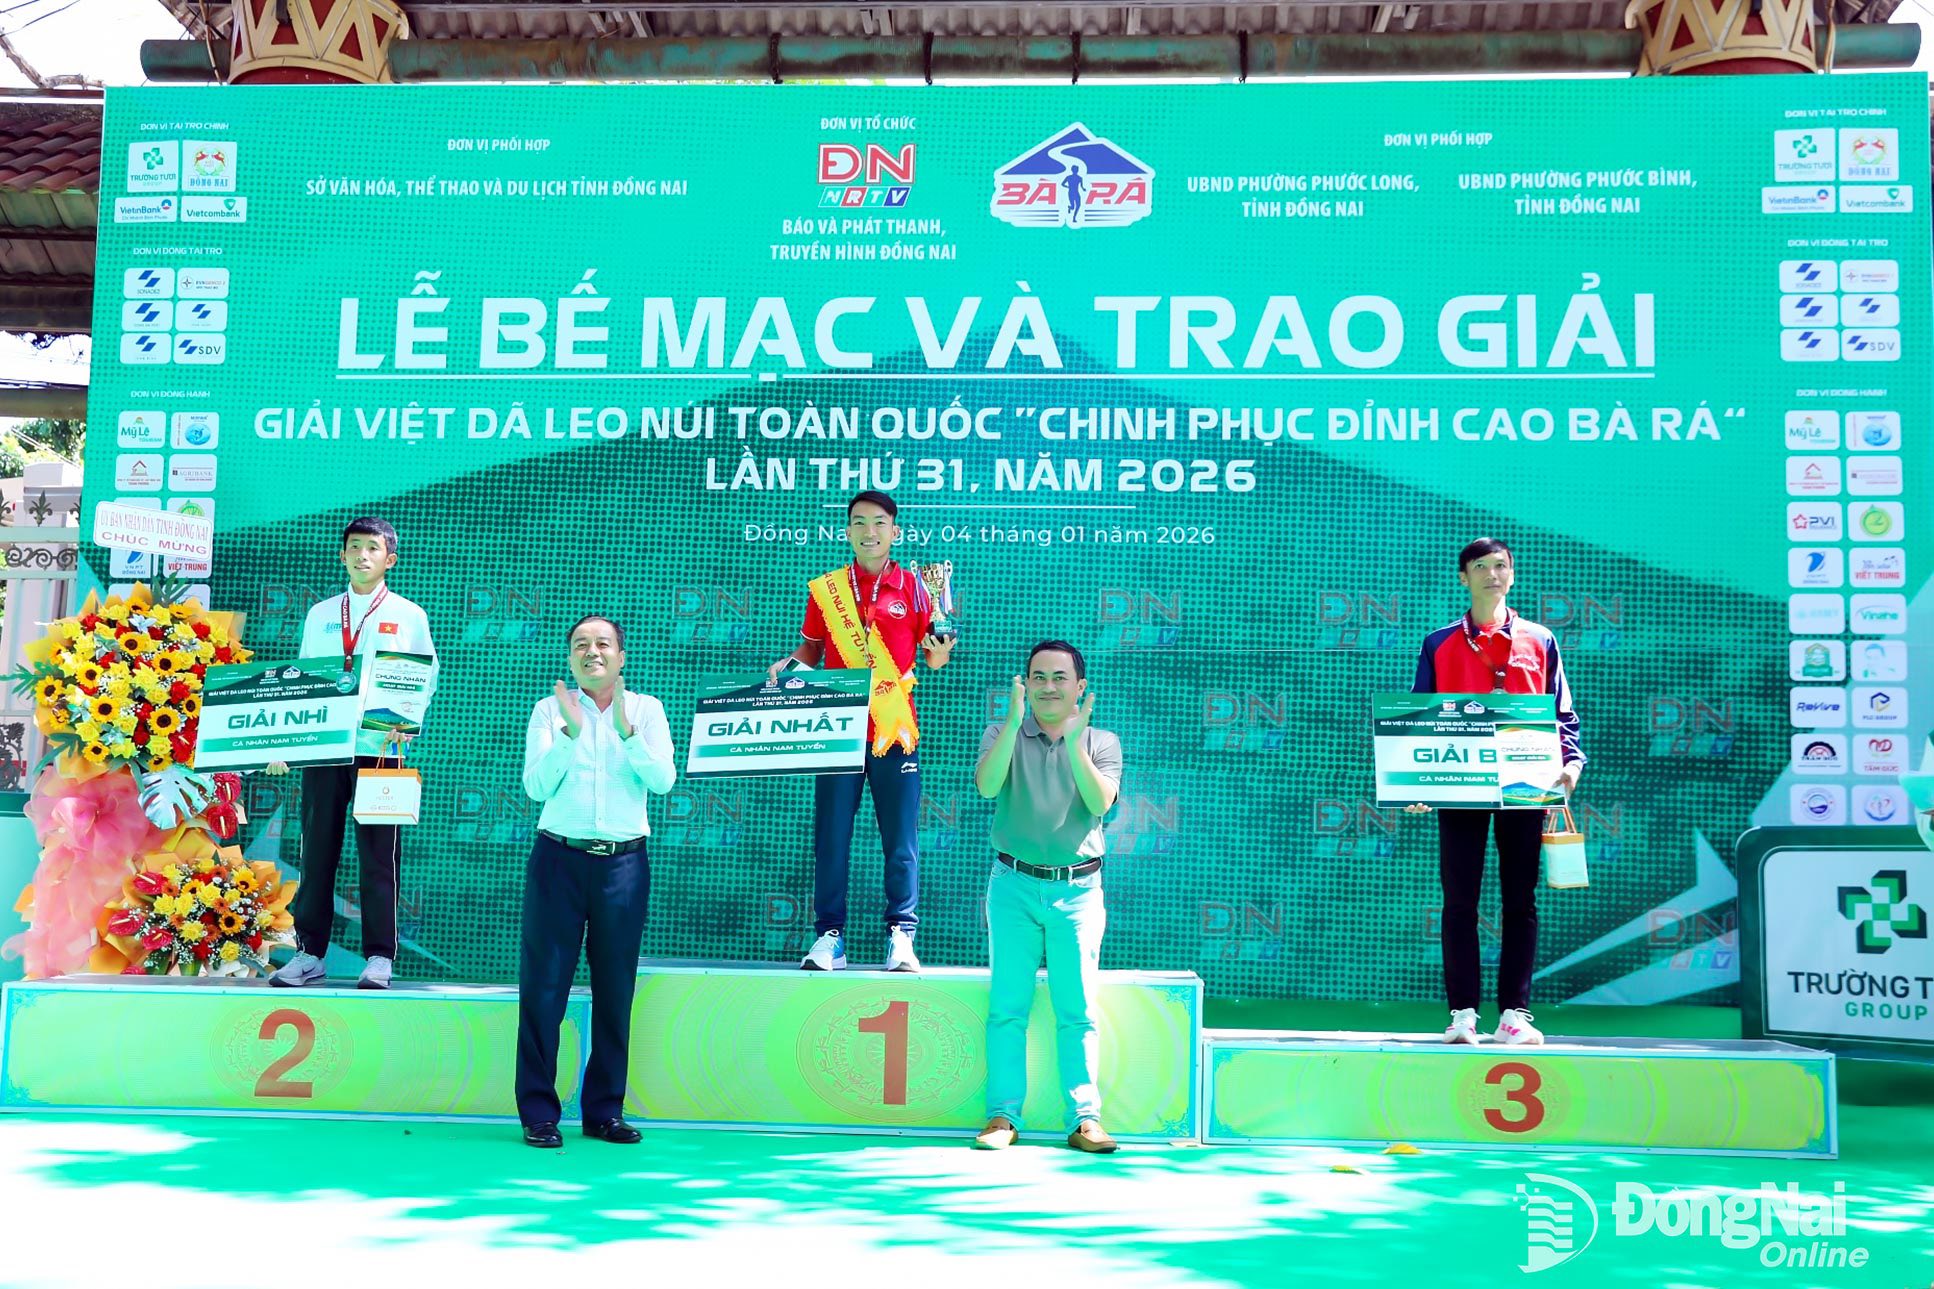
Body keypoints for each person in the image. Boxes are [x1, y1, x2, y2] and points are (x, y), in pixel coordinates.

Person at [766, 490, 954, 973]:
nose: (869, 531)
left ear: (895, 531)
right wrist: (788, 667)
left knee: (901, 839)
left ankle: (902, 934)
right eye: (859, 522)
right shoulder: (827, 589)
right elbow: (810, 652)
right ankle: (829, 936)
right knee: (831, 836)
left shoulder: (917, 586)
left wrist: (939, 651)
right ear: (847, 531)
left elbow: (933, 658)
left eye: (879, 522)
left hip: (894, 730)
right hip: (836, 728)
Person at [1407, 538, 1584, 1047]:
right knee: (1459, 901)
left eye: (1500, 565)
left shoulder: (1541, 639)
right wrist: (1416, 781)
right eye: (1480, 566)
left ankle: (1514, 1016)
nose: (1492, 574)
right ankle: (1462, 1014)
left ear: (1513, 574)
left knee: (1520, 901)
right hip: (1460, 782)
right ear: (1463, 577)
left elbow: (1562, 713)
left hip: (1525, 782)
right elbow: (1419, 717)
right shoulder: (1439, 642)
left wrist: (1571, 764)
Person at [515, 614, 676, 1149]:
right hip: (557, 861)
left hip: (623, 867)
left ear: (620, 657)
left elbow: (663, 780)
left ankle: (604, 1113)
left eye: (603, 644)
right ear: (570, 658)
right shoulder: (549, 710)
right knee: (544, 989)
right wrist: (570, 733)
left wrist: (628, 734)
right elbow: (536, 788)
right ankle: (539, 1114)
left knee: (614, 990)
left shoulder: (647, 710)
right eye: (581, 645)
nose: (592, 652)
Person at [270, 517, 438, 991]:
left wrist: (408, 721)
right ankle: (309, 953)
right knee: (316, 851)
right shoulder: (321, 614)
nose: (363, 555)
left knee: (379, 856)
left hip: (381, 747)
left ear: (390, 559)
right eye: (355, 547)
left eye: (373, 548)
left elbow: (425, 674)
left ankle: (380, 956)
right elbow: (303, 678)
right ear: (342, 555)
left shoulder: (410, 615)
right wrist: (288, 741)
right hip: (325, 747)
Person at [971, 641, 1123, 1153]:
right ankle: (1002, 1117)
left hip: (1078, 892)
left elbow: (1099, 802)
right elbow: (987, 787)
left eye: (1060, 677)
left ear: (1080, 687)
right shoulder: (1002, 733)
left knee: (1076, 1009)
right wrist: (1013, 723)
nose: (1049, 686)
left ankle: (1085, 1119)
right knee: (1007, 1007)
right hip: (1012, 887)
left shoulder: (1102, 742)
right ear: (1025, 685)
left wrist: (1076, 743)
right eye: (1038, 677)